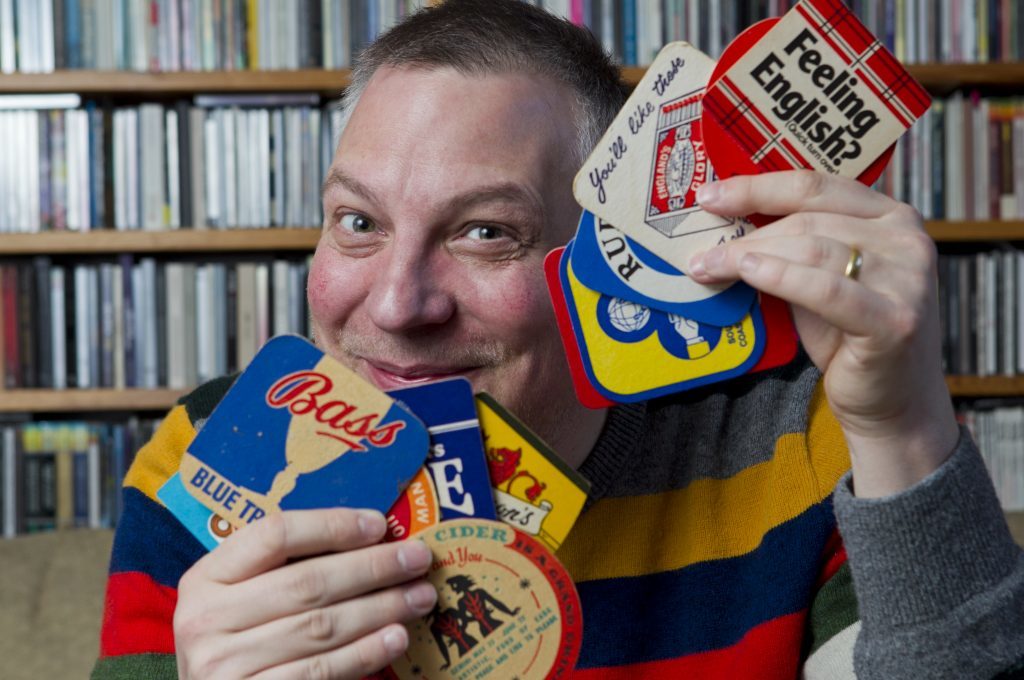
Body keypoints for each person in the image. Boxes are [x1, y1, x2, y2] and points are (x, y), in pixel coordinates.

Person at [91, 2, 1024, 679]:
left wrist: (902, 423)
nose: (397, 303)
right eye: (357, 222)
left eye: (485, 231)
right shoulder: (213, 450)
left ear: (605, 256)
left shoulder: (805, 444)